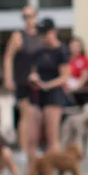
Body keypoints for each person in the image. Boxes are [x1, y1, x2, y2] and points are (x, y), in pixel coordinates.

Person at [2, 6, 45, 161]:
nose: (28, 20)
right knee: (25, 115)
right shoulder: (18, 36)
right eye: (25, 17)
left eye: (31, 16)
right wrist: (8, 78)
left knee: (38, 115)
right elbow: (8, 57)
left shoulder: (41, 36)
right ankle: (23, 149)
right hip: (23, 79)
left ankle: (35, 146)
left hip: (39, 81)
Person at [29, 18, 72, 155]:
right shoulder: (39, 51)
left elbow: (65, 76)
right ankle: (33, 170)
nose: (43, 38)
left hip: (54, 95)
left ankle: (53, 171)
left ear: (53, 32)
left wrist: (47, 85)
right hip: (38, 95)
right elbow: (34, 71)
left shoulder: (61, 51)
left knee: (51, 136)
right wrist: (34, 78)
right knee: (34, 135)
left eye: (45, 34)